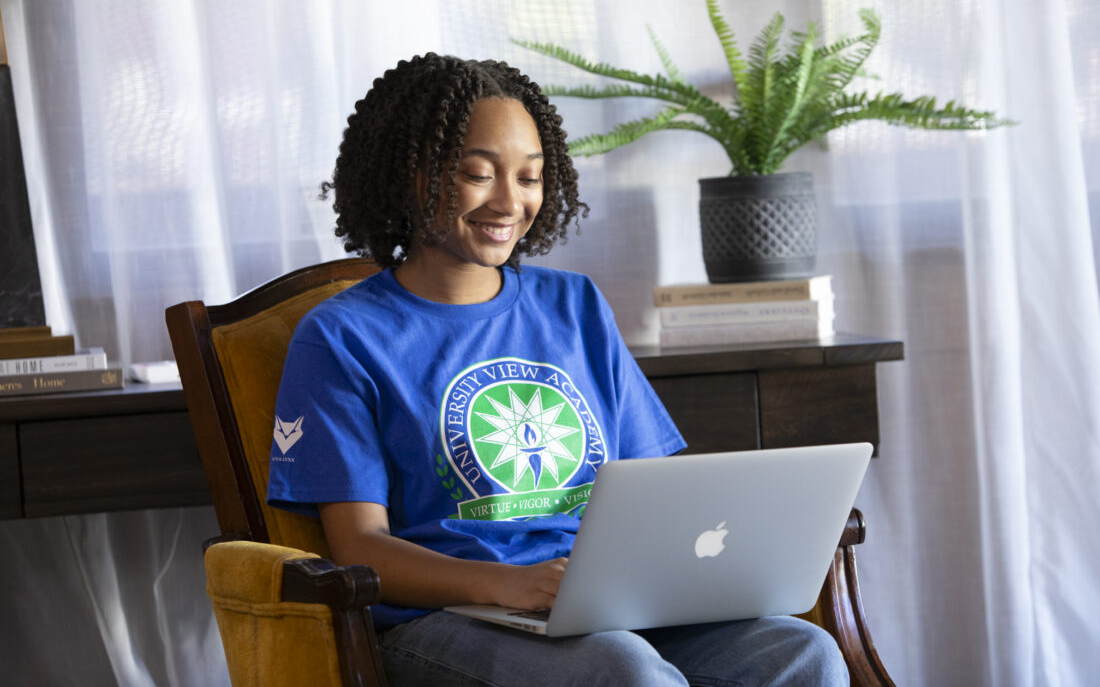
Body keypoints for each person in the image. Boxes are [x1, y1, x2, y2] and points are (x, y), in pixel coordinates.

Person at [267, 53, 848, 686]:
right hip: (445, 621)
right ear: (409, 174)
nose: (509, 202)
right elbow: (360, 548)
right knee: (620, 670)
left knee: (800, 653)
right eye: (477, 173)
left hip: (600, 606)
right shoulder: (341, 337)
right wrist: (512, 585)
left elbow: (653, 490)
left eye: (530, 177)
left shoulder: (574, 306)